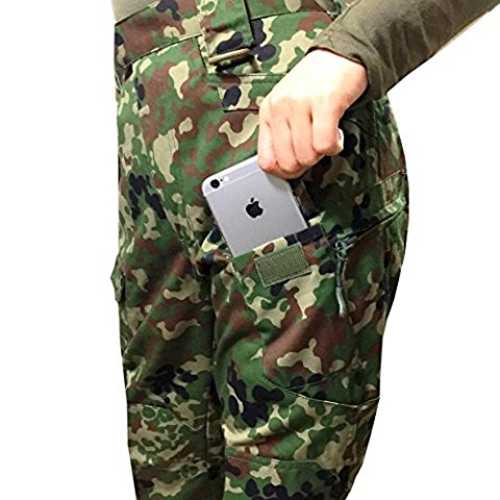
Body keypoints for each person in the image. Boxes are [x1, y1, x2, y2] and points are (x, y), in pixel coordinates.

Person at [110, 1, 498, 498]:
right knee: (166, 452)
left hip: (277, 92)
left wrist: (357, 43)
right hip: (148, 100)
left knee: (283, 463)